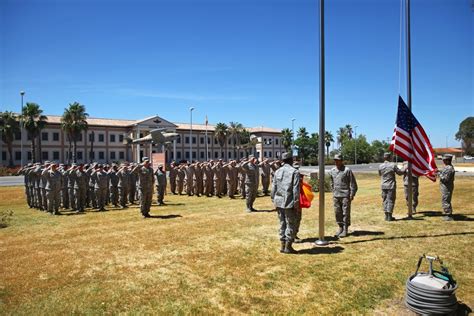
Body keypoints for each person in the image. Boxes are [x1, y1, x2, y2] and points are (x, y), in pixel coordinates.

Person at [271, 152, 300, 254]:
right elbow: (296, 189)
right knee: (291, 223)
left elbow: (273, 187)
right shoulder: (294, 172)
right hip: (289, 201)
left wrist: (273, 200)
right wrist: (296, 203)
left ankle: (282, 246)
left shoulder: (277, 171)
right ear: (291, 160)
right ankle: (288, 246)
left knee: (282, 223)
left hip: (279, 201)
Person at [329, 154, 358, 237]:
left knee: (345, 213)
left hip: (345, 195)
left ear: (341, 160)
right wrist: (333, 190)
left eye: (338, 160)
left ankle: (345, 229)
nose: (336, 162)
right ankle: (340, 228)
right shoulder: (332, 170)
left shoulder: (347, 170)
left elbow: (353, 184)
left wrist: (352, 194)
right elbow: (331, 182)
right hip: (336, 195)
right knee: (337, 212)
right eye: (335, 160)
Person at [378, 152, 404, 221]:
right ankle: (389, 216)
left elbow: (380, 174)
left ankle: (386, 215)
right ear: (390, 157)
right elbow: (400, 173)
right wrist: (405, 167)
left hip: (383, 185)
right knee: (390, 200)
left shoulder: (380, 166)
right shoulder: (393, 165)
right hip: (391, 185)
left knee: (384, 200)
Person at [438, 154, 455, 221]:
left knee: (446, 200)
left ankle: (448, 215)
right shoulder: (447, 167)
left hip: (447, 187)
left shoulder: (449, 168)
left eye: (444, 160)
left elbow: (445, 179)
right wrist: (439, 171)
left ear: (448, 160)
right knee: (445, 199)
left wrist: (438, 174)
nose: (443, 161)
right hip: (445, 186)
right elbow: (443, 173)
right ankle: (447, 213)